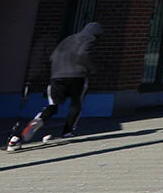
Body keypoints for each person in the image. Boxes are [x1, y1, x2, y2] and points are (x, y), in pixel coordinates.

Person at [8, 21, 102, 151]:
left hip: (56, 76)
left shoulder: (68, 39)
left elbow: (52, 57)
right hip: (77, 76)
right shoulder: (89, 38)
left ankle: (37, 121)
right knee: (76, 103)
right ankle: (68, 131)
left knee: (53, 106)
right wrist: (92, 69)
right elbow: (82, 54)